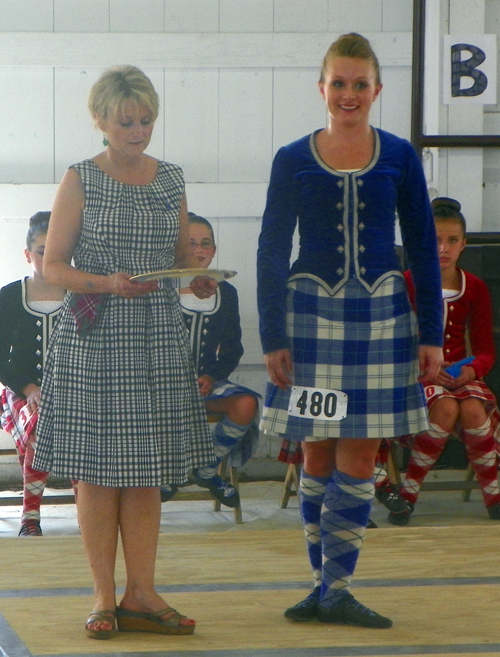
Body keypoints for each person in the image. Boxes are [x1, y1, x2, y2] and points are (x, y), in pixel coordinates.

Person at [256, 33, 443, 629]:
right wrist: (271, 334)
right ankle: (322, 586)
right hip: (308, 318)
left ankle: (337, 588)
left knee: (360, 452)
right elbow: (269, 246)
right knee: (314, 447)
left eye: (360, 84)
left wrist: (431, 333)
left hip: (384, 318)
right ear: (322, 88)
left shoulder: (400, 155)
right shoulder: (291, 158)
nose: (349, 94)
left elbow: (421, 246)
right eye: (339, 83)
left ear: (376, 90)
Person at [33, 65, 217, 640]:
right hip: (95, 337)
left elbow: (179, 257)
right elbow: (52, 267)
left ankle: (142, 591)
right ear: (100, 122)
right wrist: (107, 283)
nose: (139, 131)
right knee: (95, 473)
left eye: (147, 120)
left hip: (157, 337)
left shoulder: (172, 179)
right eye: (126, 121)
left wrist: (199, 280)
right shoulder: (80, 178)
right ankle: (103, 597)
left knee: (145, 473)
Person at [387, 197, 500, 525]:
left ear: (464, 244)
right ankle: (407, 495)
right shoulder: (406, 283)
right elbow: (393, 343)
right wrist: (426, 371)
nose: (443, 248)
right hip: (414, 376)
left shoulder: (475, 288)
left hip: (458, 376)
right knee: (447, 407)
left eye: (452, 241)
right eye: (435, 240)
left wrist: (470, 370)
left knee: (473, 408)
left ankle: (493, 496)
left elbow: (485, 351)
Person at [162, 213, 259, 507]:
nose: (199, 250)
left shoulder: (225, 292)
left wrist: (210, 377)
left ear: (214, 251)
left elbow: (232, 348)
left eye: (205, 243)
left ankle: (205, 467)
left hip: (205, 384)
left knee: (246, 403)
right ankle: (167, 472)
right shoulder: (160, 288)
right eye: (190, 243)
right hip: (160, 385)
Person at [0, 211, 76, 536]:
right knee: (40, 420)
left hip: (74, 391)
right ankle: (30, 516)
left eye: (59, 249)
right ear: (28, 254)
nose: (50, 257)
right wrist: (30, 388)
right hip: (19, 391)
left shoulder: (82, 297)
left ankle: (91, 509)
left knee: (84, 425)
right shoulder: (8, 297)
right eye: (43, 250)